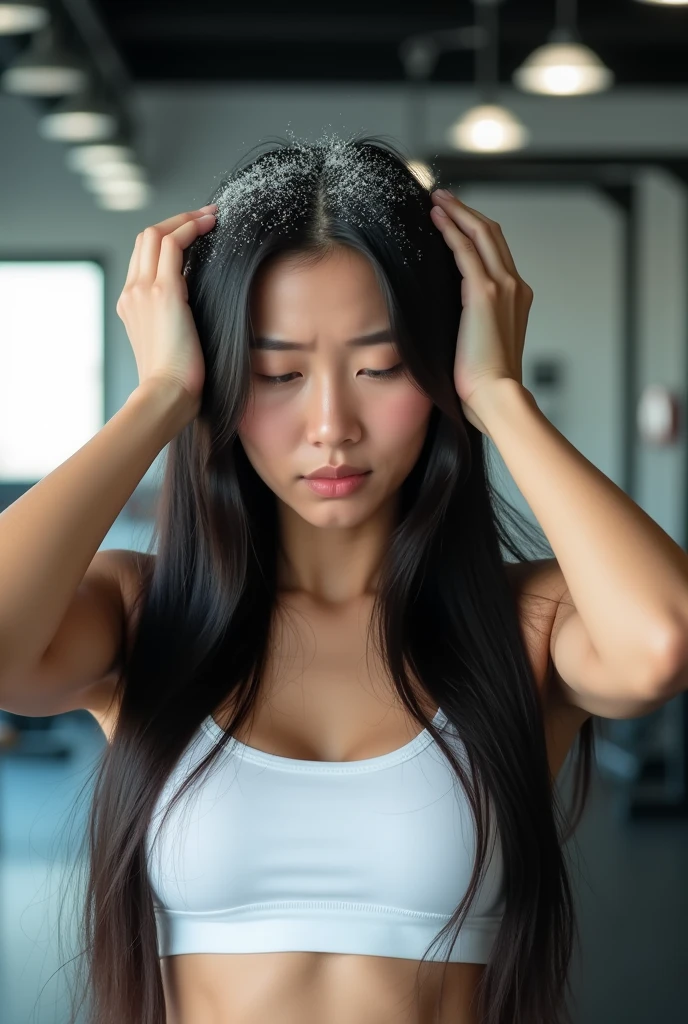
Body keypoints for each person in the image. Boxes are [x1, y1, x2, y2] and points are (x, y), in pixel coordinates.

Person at [1, 130, 687, 1024]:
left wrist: (499, 397)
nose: (332, 424)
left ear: (442, 368)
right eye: (277, 372)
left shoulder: (525, 622)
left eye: (383, 366)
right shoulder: (143, 616)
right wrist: (161, 395)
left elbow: (662, 641)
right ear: (221, 381)